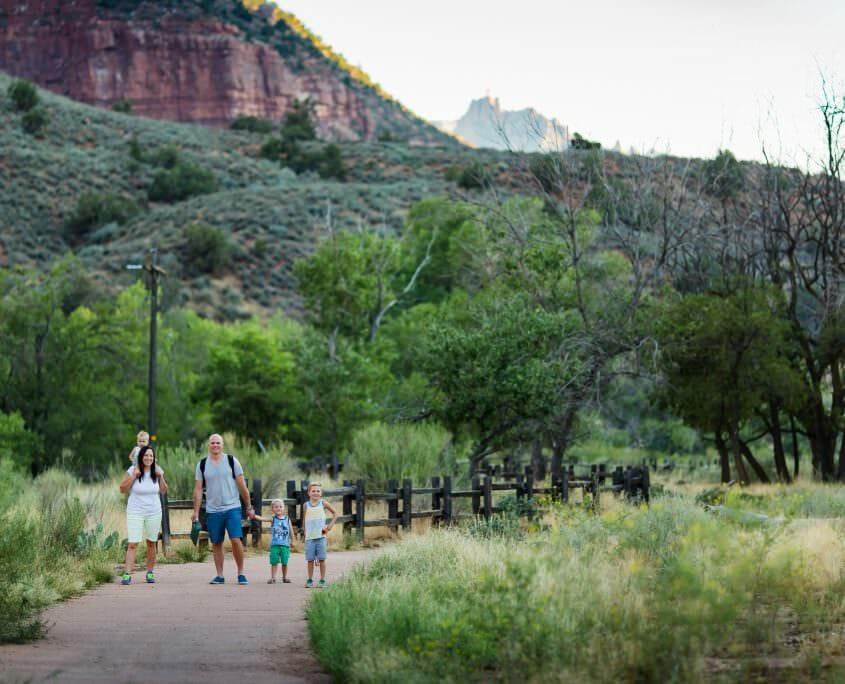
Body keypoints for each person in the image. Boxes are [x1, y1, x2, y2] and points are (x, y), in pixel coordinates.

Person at [191, 433, 255, 585]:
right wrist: (195, 511)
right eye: (212, 443)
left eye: (218, 443)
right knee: (217, 542)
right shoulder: (202, 464)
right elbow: (198, 489)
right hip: (213, 510)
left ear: (222, 445)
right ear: (208, 445)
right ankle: (219, 575)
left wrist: (249, 507)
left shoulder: (232, 461)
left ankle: (241, 573)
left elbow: (242, 487)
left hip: (232, 507)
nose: (215, 445)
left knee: (235, 539)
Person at [119, 444, 167, 585]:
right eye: (146, 455)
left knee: (151, 542)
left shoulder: (157, 471)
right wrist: (134, 476)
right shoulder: (133, 470)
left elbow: (163, 491)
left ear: (154, 458)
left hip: (154, 511)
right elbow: (122, 489)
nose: (148, 458)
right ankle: (127, 573)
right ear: (141, 457)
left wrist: (161, 477)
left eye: (151, 456)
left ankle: (150, 572)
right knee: (133, 543)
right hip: (135, 511)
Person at [301, 482, 337, 588]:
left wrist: (330, 526)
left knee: (322, 559)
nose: (315, 493)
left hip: (322, 535)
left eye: (318, 491)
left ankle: (322, 580)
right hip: (309, 537)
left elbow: (335, 513)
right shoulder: (305, 505)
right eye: (313, 491)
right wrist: (304, 532)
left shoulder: (323, 503)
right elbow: (305, 519)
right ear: (308, 493)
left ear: (321, 493)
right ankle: (310, 580)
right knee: (310, 559)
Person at [253, 499, 293, 584]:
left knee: (285, 562)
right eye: (276, 507)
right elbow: (262, 519)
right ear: (273, 509)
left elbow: (291, 530)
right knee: (274, 562)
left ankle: (285, 577)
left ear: (283, 508)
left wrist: (293, 540)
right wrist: (254, 516)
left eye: (280, 507)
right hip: (275, 545)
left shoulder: (287, 519)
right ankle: (273, 578)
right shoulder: (273, 519)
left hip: (285, 545)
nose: (279, 508)